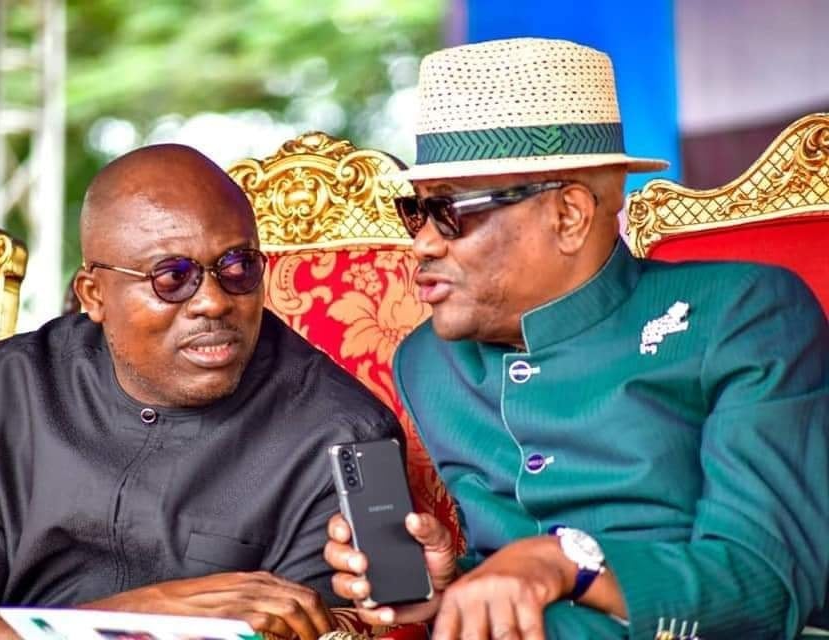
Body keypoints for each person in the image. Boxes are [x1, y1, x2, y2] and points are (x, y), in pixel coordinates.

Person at [325, 37, 829, 640]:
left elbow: (765, 588)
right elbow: (509, 573)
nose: (423, 243)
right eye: (417, 212)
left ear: (568, 215)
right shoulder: (431, 362)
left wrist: (567, 560)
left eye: (452, 212)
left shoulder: (742, 313)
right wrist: (447, 587)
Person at [0, 144, 402, 640]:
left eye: (237, 267)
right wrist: (137, 614)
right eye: (172, 277)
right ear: (94, 294)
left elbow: (332, 628)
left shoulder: (347, 437)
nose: (213, 302)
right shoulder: (3, 391)